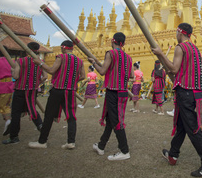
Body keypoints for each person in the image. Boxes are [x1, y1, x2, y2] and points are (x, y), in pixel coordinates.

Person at [152, 23, 202, 177]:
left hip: (185, 93)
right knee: (181, 125)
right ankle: (173, 155)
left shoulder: (180, 47)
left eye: (176, 32)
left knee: (193, 128)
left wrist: (161, 55)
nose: (175, 34)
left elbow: (174, 69)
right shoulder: (195, 49)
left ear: (180, 32)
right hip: (194, 92)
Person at [29, 40, 85, 149]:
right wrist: (72, 81)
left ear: (63, 48)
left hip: (58, 90)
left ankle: (42, 141)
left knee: (49, 115)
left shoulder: (61, 57)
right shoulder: (79, 61)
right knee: (71, 117)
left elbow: (52, 70)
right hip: (70, 91)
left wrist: (40, 63)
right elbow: (82, 76)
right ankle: (71, 142)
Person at [88, 32, 134, 161]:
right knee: (111, 119)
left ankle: (124, 150)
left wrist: (94, 64)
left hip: (113, 91)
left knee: (116, 121)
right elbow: (131, 76)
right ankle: (101, 146)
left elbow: (102, 71)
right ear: (123, 44)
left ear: (112, 42)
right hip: (123, 92)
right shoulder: (128, 57)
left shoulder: (111, 53)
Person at [3, 42, 46, 144]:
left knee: (16, 113)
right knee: (32, 109)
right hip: (32, 90)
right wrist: (36, 83)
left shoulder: (21, 61)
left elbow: (16, 76)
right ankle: (41, 126)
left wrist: (13, 71)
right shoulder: (40, 62)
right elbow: (45, 77)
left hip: (20, 89)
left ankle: (14, 137)